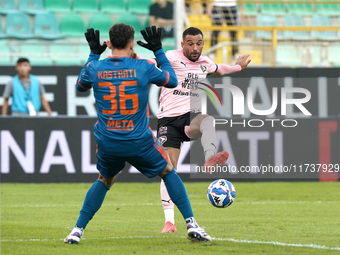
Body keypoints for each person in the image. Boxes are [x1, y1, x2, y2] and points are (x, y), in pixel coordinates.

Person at [64, 25, 212, 244]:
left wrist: (94, 53)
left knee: (104, 180)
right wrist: (159, 51)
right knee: (169, 172)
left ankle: (77, 230)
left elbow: (79, 85)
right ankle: (191, 224)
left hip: (108, 139)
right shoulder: (142, 67)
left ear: (109, 44)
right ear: (132, 44)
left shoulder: (95, 67)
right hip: (138, 140)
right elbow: (171, 81)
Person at [137, 27, 251, 233]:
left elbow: (220, 69)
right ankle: (169, 222)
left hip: (190, 118)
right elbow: (149, 64)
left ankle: (209, 158)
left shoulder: (204, 62)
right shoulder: (170, 57)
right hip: (168, 120)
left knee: (207, 121)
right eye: (190, 43)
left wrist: (238, 67)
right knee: (168, 169)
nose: (195, 47)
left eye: (199, 43)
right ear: (183, 44)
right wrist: (134, 57)